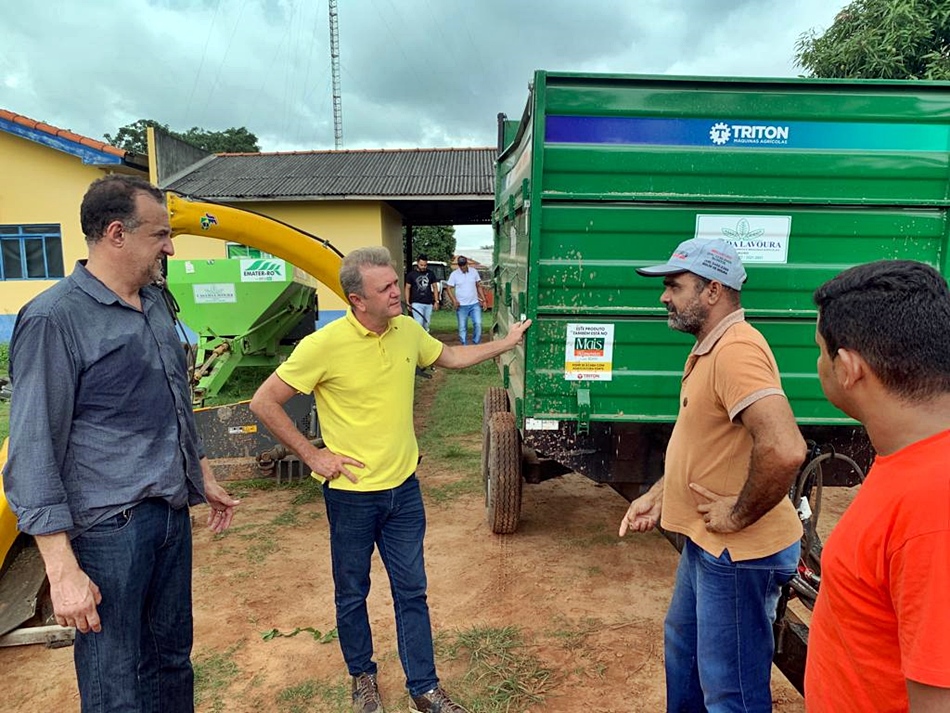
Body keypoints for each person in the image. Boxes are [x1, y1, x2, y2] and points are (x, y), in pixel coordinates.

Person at [249, 246, 530, 713]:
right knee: (352, 592)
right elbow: (264, 402)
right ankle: (363, 678)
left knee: (411, 591)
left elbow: (453, 359)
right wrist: (311, 455)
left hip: (404, 492)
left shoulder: (406, 331)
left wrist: (507, 342)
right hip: (351, 497)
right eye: (386, 288)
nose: (398, 293)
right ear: (358, 300)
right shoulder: (323, 345)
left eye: (396, 283)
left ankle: (424, 687)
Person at [2, 174, 239, 711]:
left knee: (172, 661)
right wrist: (62, 572)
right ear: (115, 234)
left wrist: (200, 471)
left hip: (169, 518)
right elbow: (33, 452)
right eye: (159, 235)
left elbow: (173, 396)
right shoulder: (53, 319)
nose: (170, 246)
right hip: (109, 531)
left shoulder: (154, 301)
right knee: (117, 682)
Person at [620, 238, 806, 712]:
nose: (664, 296)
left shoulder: (737, 351)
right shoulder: (711, 345)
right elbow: (707, 442)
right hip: (709, 543)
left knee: (730, 690)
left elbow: (785, 449)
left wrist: (738, 514)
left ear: (713, 291)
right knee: (685, 652)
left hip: (737, 552)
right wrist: (661, 494)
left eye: (674, 286)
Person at [804, 260, 950, 712]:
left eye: (820, 350)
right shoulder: (915, 464)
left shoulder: (932, 507)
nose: (817, 364)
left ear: (848, 367)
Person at [445, 255, 485, 345]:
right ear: (458, 265)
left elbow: (478, 285)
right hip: (461, 306)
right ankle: (464, 345)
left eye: (463, 265)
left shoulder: (474, 272)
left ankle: (476, 343)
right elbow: (448, 288)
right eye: (460, 265)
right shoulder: (454, 274)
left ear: (467, 264)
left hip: (474, 304)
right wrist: (454, 300)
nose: (462, 267)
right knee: (462, 327)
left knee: (478, 323)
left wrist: (484, 300)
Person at [404, 253, 440, 332]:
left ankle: (425, 339)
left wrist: (436, 301)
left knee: (426, 324)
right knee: (419, 322)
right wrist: (407, 302)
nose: (423, 267)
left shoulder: (430, 273)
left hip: (428, 302)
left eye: (425, 265)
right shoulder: (411, 275)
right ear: (417, 263)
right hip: (416, 302)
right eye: (421, 265)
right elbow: (407, 288)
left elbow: (435, 287)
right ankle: (419, 340)